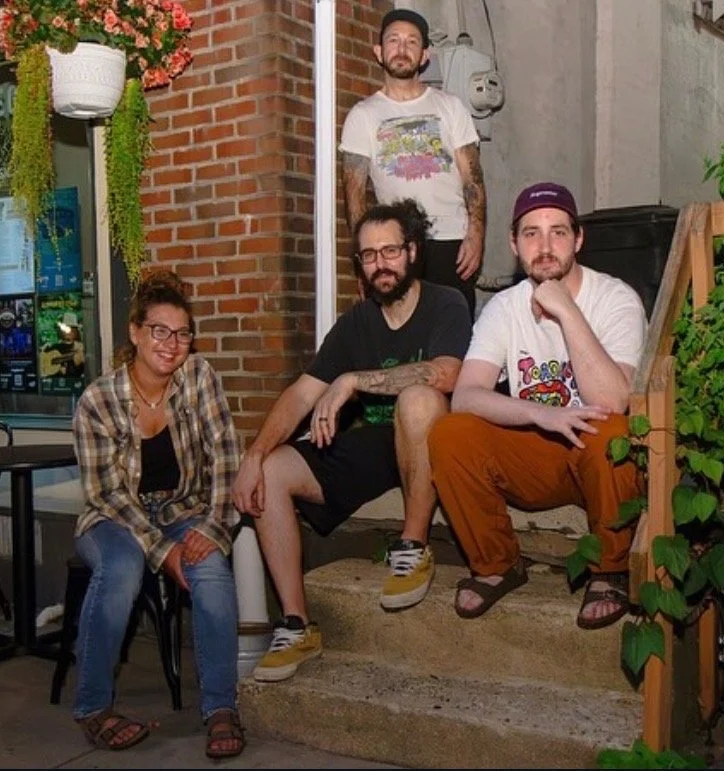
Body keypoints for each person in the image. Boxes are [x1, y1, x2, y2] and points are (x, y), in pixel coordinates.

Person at [232, 199, 472, 683]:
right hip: (376, 446)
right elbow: (302, 393)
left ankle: (412, 547)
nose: (381, 263)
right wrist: (254, 455)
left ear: (412, 252)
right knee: (274, 468)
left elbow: (446, 373)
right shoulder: (356, 323)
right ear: (360, 266)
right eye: (368, 255)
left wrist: (353, 381)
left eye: (390, 251)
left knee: (417, 400)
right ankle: (296, 624)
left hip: (434, 439)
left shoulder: (447, 302)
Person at [428, 182, 648, 630]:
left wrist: (567, 312)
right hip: (537, 453)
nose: (544, 246)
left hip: (598, 456)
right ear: (513, 244)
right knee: (449, 433)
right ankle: (496, 564)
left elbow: (613, 399)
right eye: (531, 233)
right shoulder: (504, 308)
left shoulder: (616, 299)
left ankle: (609, 570)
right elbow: (467, 395)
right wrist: (541, 414)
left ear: (579, 239)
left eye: (558, 232)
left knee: (610, 429)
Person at [71, 270, 245, 758]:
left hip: (183, 508)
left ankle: (220, 707)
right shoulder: (98, 401)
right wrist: (163, 550)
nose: (171, 344)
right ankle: (92, 706)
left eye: (182, 333)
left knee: (211, 570)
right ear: (135, 332)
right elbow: (105, 492)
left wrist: (211, 526)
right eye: (159, 331)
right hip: (113, 517)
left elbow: (226, 454)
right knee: (122, 568)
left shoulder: (198, 376)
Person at [340, 7, 486, 318]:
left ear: (424, 56)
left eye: (412, 42)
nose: (402, 49)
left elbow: (473, 178)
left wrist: (476, 235)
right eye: (394, 41)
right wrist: (365, 257)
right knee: (399, 338)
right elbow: (353, 196)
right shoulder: (362, 116)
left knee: (454, 339)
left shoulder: (451, 107)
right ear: (379, 52)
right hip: (394, 249)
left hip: (451, 243)